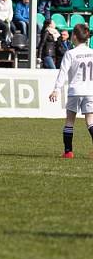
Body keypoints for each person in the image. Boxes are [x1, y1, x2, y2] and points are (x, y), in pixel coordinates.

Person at [49, 23, 93, 159]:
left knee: (69, 121)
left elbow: (63, 72)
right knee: (90, 121)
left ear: (74, 36)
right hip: (90, 91)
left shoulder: (70, 53)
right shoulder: (92, 53)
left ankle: (68, 152)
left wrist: (56, 89)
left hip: (75, 91)